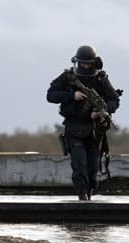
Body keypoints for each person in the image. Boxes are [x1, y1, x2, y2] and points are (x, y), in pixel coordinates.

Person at [47, 45, 121, 201]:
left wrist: (102, 111)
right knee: (79, 164)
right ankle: (82, 196)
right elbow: (51, 95)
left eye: (88, 63)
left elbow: (114, 100)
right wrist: (71, 95)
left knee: (93, 168)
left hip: (94, 131)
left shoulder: (100, 79)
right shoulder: (68, 77)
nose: (85, 66)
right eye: (82, 63)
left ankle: (89, 193)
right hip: (74, 128)